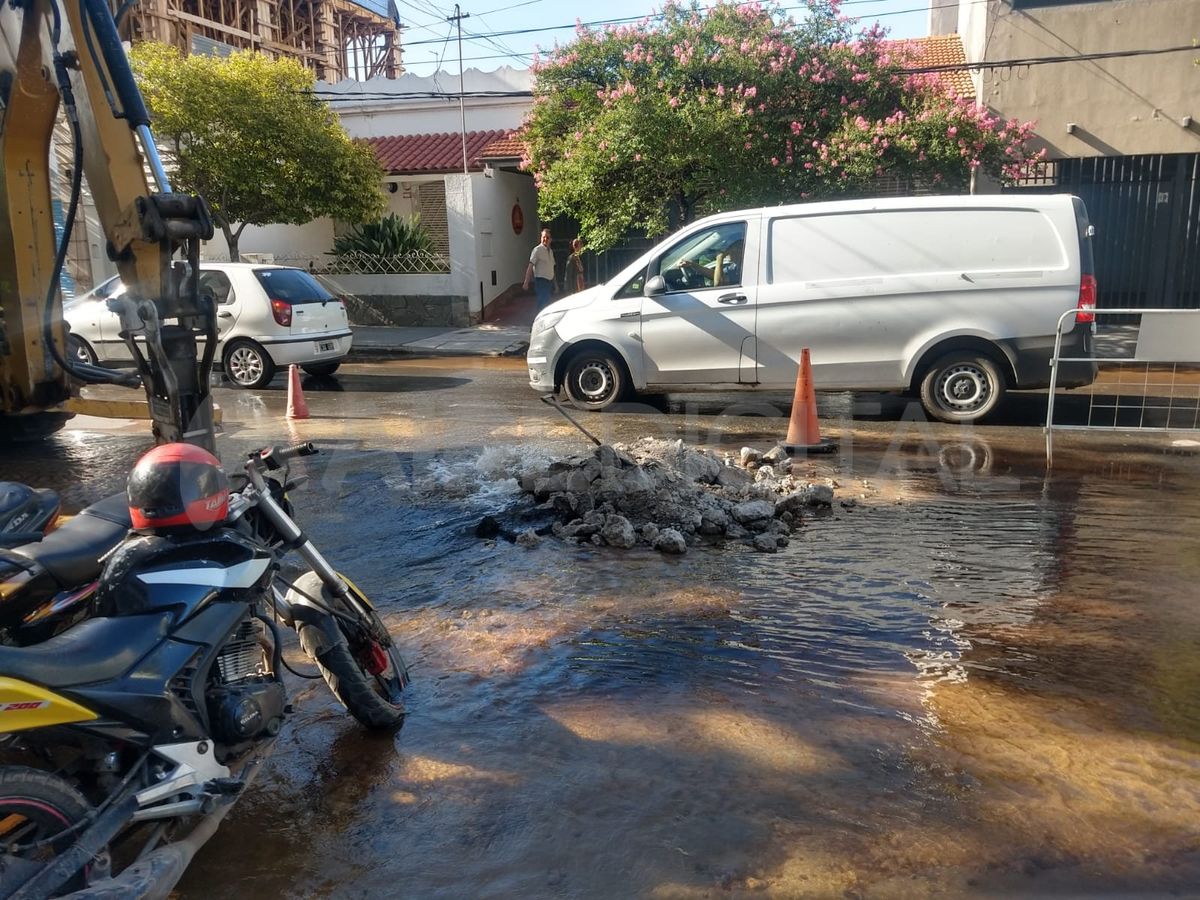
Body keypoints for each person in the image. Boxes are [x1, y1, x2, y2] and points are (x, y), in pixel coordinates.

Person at [523, 228, 555, 311]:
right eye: (543, 237)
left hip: (549, 282)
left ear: (550, 240)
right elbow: (530, 266)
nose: (545, 239)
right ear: (541, 238)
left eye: (547, 237)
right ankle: (539, 321)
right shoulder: (537, 250)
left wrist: (556, 284)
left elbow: (552, 267)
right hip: (541, 282)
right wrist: (526, 282)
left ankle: (544, 321)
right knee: (543, 303)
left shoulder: (550, 251)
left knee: (547, 303)